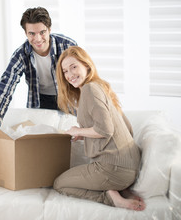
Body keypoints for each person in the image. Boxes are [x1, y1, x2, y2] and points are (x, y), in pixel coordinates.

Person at [53, 46, 146, 211]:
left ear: (87, 65)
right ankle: (120, 190)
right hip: (130, 168)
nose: (69, 75)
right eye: (65, 71)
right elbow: (126, 127)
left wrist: (77, 131)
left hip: (113, 169)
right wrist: (85, 135)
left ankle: (110, 197)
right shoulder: (100, 87)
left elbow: (105, 131)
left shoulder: (89, 89)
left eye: (74, 67)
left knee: (59, 183)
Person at [0, 7, 77, 140]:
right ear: (25, 33)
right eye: (32, 34)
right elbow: (6, 87)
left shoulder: (68, 46)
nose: (38, 38)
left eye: (42, 32)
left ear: (49, 30)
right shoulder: (21, 54)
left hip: (67, 98)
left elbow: (85, 78)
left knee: (71, 138)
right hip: (40, 102)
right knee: (43, 142)